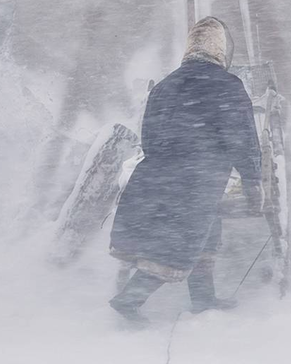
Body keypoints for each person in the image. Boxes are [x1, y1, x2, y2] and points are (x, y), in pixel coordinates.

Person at [109, 17, 262, 322]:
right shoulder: (227, 85)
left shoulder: (165, 85)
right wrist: (252, 179)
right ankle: (128, 301)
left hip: (158, 177)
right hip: (194, 182)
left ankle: (204, 300)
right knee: (174, 249)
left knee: (204, 238)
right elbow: (242, 137)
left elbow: (149, 138)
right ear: (220, 51)